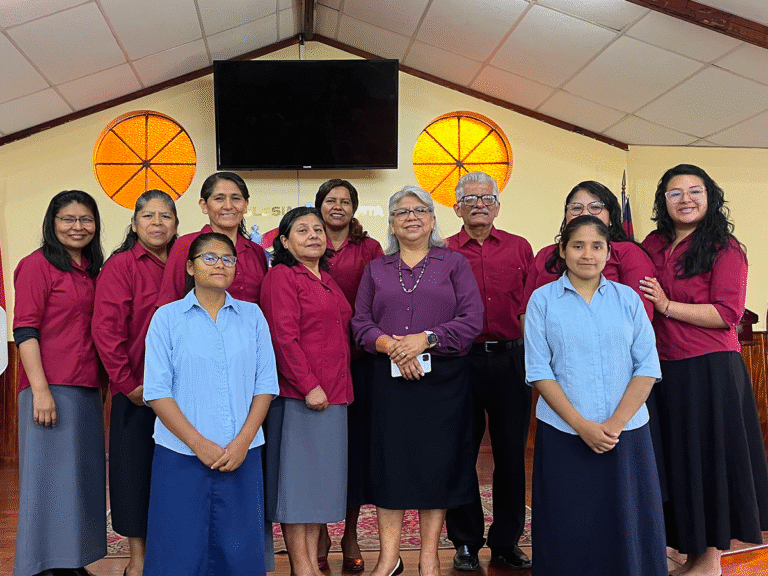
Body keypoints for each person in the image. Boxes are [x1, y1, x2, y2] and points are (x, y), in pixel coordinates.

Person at [639, 164, 768, 576]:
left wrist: (667, 306)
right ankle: (692, 554)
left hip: (710, 371)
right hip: (662, 370)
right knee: (679, 464)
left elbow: (727, 313)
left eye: (695, 190)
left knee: (709, 464)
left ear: (710, 197)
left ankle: (710, 561)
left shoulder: (725, 247)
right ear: (663, 201)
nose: (685, 199)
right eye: (675, 192)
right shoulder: (653, 243)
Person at [525, 215, 666, 576]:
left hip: (627, 433)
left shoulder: (628, 299)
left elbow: (647, 366)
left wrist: (615, 424)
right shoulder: (543, 301)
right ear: (562, 250)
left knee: (628, 522)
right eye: (577, 245)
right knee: (569, 522)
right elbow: (539, 371)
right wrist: (582, 426)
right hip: (564, 432)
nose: (587, 254)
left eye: (596, 246)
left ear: (608, 254)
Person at [352, 186, 483, 576]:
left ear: (432, 219)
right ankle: (389, 558)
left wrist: (425, 339)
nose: (411, 216)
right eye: (402, 211)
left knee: (436, 467)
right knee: (389, 466)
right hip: (388, 383)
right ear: (391, 223)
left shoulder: (454, 264)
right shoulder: (376, 268)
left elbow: (471, 319)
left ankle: (429, 558)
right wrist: (394, 346)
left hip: (442, 382)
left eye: (420, 210)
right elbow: (360, 323)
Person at [142, 232, 278, 576]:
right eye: (210, 258)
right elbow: (157, 391)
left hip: (241, 453)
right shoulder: (167, 319)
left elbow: (265, 385)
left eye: (228, 259)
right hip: (180, 454)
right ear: (190, 266)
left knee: (238, 550)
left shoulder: (253, 316)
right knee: (177, 551)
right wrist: (198, 443)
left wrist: (244, 441)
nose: (220, 264)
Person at [13, 190, 106, 576]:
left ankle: (70, 560)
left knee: (80, 480)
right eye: (68, 219)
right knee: (47, 480)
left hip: (86, 388)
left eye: (86, 219)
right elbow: (25, 329)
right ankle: (42, 564)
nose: (77, 227)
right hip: (48, 389)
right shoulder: (36, 265)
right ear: (53, 223)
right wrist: (40, 389)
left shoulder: (92, 269)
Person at [444, 172, 533, 571]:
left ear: (497, 205)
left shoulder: (520, 248)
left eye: (486, 198)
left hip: (511, 360)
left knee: (511, 455)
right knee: (460, 452)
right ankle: (465, 541)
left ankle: (506, 542)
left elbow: (533, 308)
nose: (478, 204)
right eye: (470, 198)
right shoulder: (443, 251)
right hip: (460, 362)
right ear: (456, 206)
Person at [260, 207, 354, 576]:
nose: (314, 234)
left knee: (320, 487)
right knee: (298, 488)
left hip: (336, 394)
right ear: (284, 241)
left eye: (318, 229)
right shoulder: (282, 277)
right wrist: (309, 385)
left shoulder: (327, 279)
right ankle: (302, 568)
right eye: (302, 230)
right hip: (302, 396)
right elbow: (283, 337)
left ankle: (312, 563)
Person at [92, 190, 178, 576]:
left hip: (182, 392)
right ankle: (138, 559)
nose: (157, 222)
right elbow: (106, 332)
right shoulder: (121, 266)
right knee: (133, 474)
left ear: (176, 224)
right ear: (135, 223)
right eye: (148, 216)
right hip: (139, 392)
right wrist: (128, 385)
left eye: (165, 216)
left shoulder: (185, 264)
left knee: (175, 474)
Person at [314, 179, 384, 573]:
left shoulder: (370, 249)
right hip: (318, 364)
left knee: (356, 451)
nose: (337, 206)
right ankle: (321, 530)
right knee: (321, 451)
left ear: (354, 208)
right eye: (330, 200)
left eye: (345, 200)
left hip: (361, 362)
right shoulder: (304, 239)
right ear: (319, 206)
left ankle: (351, 533)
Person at [521, 180, 654, 324]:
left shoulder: (628, 252)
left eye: (595, 207)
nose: (585, 213)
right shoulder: (545, 255)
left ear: (610, 216)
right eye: (576, 208)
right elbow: (527, 313)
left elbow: (640, 318)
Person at [156, 171, 268, 306]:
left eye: (236, 198)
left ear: (245, 204)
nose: (228, 206)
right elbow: (169, 302)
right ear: (204, 205)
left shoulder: (256, 251)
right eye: (219, 198)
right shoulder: (185, 245)